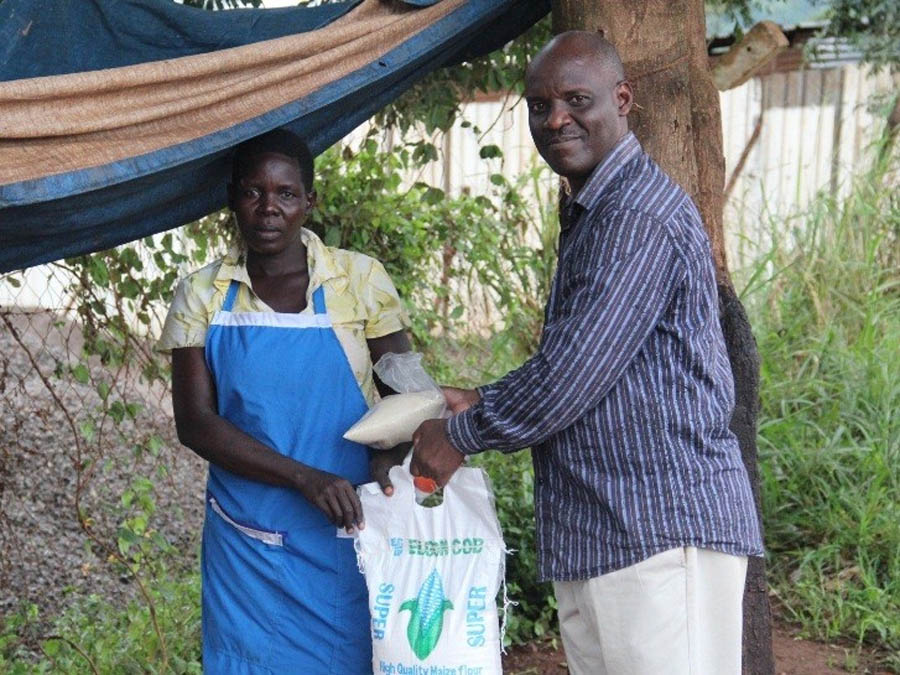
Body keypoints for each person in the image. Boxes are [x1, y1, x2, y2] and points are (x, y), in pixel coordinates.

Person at [410, 32, 764, 674]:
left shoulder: (634, 217)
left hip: (659, 532)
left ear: (622, 99)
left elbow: (569, 380)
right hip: (608, 533)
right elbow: (583, 363)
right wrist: (487, 397)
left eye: (577, 100)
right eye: (539, 106)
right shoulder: (596, 212)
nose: (556, 120)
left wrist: (461, 433)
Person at [157, 128, 410, 673]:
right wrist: (305, 477)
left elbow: (408, 394)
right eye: (253, 192)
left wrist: (387, 467)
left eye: (286, 194)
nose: (269, 208)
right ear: (232, 199)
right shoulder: (201, 294)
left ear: (309, 202)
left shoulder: (360, 280)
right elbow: (195, 423)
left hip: (348, 529)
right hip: (247, 537)